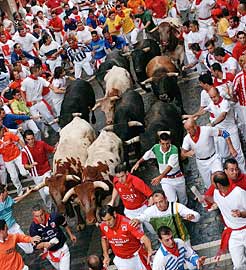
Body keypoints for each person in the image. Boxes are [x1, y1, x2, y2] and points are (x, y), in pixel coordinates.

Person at [193, 87, 246, 172]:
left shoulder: (225, 103)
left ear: (218, 94)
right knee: (224, 154)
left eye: (214, 97)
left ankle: (243, 173)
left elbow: (222, 116)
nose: (213, 99)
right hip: (221, 132)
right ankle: (229, 172)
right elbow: (203, 111)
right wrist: (191, 116)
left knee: (237, 154)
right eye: (211, 97)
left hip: (231, 130)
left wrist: (213, 123)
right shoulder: (212, 103)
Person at [132, 132, 188, 205]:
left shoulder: (174, 149)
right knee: (172, 201)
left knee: (183, 199)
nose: (165, 146)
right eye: (163, 144)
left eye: (167, 143)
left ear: (170, 141)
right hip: (166, 180)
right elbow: (147, 155)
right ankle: (176, 215)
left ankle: (185, 210)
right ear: (159, 142)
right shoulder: (156, 148)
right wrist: (138, 162)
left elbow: (170, 167)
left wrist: (159, 177)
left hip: (177, 178)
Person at [181, 118, 236, 188]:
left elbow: (224, 133)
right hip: (201, 163)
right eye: (186, 129)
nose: (187, 132)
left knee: (220, 178)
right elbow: (182, 155)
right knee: (209, 186)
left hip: (214, 159)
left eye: (189, 129)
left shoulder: (207, 130)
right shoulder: (187, 139)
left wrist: (231, 148)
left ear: (195, 126)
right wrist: (186, 154)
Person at [130, 190, 200, 245]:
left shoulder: (176, 207)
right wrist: (137, 219)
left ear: (166, 199)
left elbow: (196, 216)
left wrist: (192, 216)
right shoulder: (151, 211)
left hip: (182, 240)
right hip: (166, 244)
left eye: (161, 202)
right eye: (156, 203)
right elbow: (142, 217)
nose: (159, 205)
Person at [99, 205, 153, 270]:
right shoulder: (103, 226)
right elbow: (104, 238)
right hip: (121, 260)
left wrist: (149, 250)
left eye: (109, 219)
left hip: (136, 257)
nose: (107, 223)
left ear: (114, 214)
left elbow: (144, 238)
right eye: (104, 220)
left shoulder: (128, 223)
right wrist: (106, 254)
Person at [212, 171, 246, 269]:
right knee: (238, 265)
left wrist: (241, 214)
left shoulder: (239, 193)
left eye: (213, 183)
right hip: (233, 235)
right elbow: (215, 202)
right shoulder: (216, 193)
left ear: (218, 184)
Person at [108, 163, 154, 232]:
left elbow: (150, 194)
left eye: (122, 176)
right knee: (137, 233)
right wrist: (112, 200)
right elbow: (116, 187)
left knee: (152, 229)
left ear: (127, 173)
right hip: (130, 212)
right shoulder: (116, 180)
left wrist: (151, 202)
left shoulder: (136, 181)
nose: (120, 180)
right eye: (118, 177)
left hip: (142, 208)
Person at [29, 204, 77, 270]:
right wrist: (43, 244)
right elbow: (35, 246)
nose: (40, 218)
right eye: (37, 216)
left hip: (62, 248)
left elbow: (64, 223)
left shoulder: (54, 217)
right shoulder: (33, 228)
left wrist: (71, 235)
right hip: (50, 254)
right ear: (33, 216)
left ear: (45, 212)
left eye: (41, 214)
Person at [21, 65, 61, 136]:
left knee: (49, 116)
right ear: (35, 72)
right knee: (38, 120)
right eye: (38, 70)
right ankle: (45, 130)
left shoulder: (41, 79)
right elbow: (22, 91)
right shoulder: (26, 81)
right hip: (31, 104)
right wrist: (25, 102)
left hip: (40, 101)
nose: (40, 71)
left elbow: (49, 85)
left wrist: (56, 89)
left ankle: (58, 129)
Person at [22, 129, 54, 209]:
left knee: (47, 190)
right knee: (43, 195)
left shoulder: (41, 143)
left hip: (46, 170)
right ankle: (50, 207)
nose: (31, 141)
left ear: (34, 137)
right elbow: (25, 165)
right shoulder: (24, 151)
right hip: (36, 175)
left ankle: (57, 202)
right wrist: (30, 166)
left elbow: (52, 150)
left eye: (32, 138)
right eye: (28, 139)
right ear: (25, 140)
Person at [0, 126, 28, 196]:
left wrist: (26, 150)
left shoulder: (9, 134)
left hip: (17, 155)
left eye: (1, 131)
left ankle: (32, 173)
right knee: (14, 177)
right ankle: (20, 190)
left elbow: (18, 140)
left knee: (24, 173)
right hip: (7, 160)